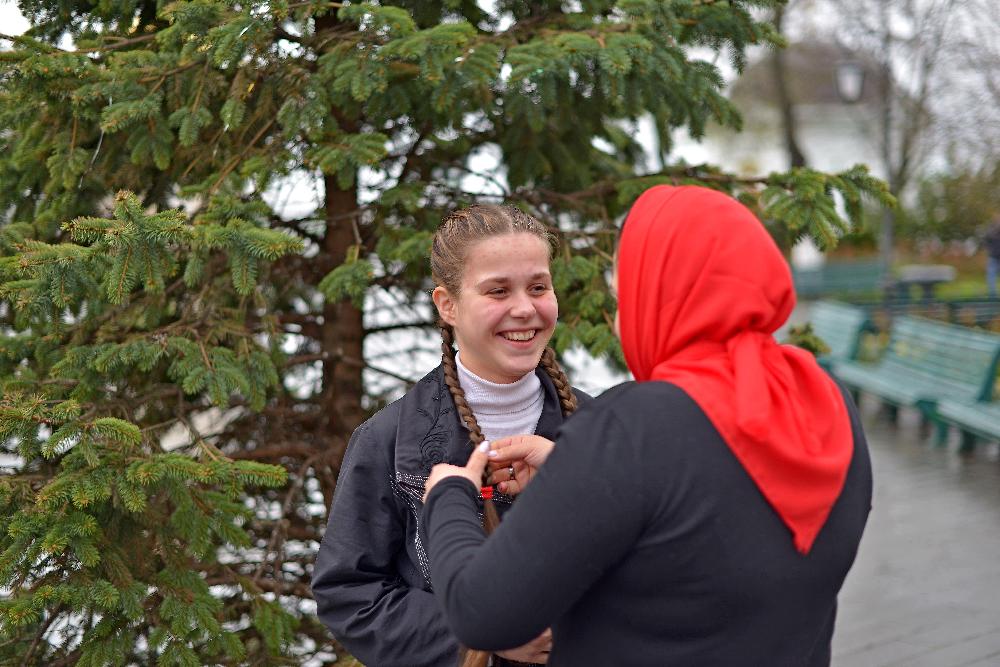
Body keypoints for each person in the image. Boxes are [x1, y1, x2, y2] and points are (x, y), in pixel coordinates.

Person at [422, 185, 873, 666]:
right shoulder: (823, 400)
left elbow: (484, 613)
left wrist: (450, 497)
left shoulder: (636, 427)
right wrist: (574, 475)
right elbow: (717, 512)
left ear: (664, 296)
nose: (619, 321)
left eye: (625, 297)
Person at [311, 204, 590, 667]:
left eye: (538, 287)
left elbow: (657, 577)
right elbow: (348, 594)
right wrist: (482, 631)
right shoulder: (388, 443)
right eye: (498, 291)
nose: (525, 308)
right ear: (447, 305)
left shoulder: (599, 430)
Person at [985, 216, 1000, 297]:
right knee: (991, 276)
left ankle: (992, 294)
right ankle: (992, 295)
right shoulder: (991, 231)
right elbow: (987, 238)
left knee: (991, 276)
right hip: (993, 257)